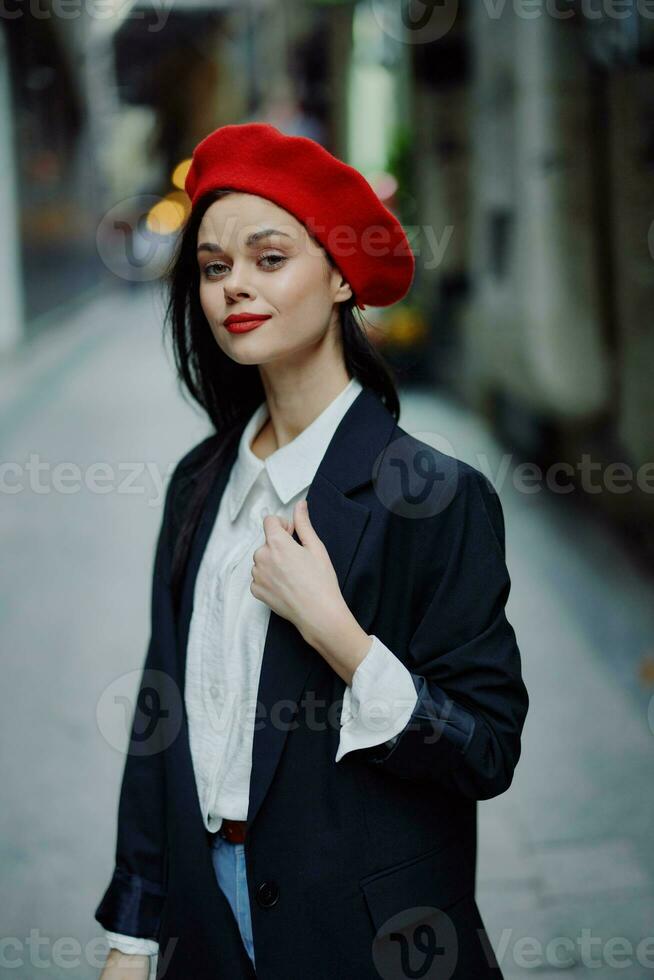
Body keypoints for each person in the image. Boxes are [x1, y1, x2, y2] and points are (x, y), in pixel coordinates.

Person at [95, 122, 529, 980]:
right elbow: (161, 716)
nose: (233, 289)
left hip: (367, 935)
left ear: (338, 275)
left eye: (268, 258)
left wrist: (340, 635)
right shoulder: (199, 484)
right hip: (203, 920)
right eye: (215, 267)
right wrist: (133, 933)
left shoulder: (432, 495)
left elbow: (486, 749)